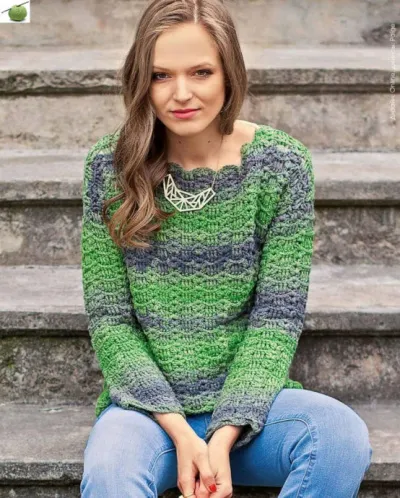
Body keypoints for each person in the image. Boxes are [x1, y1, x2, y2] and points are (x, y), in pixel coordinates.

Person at [79, 0, 373, 497]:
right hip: (147, 415)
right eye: (160, 75)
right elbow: (111, 321)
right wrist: (181, 433)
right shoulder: (109, 168)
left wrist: (223, 434)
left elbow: (276, 318)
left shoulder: (279, 165)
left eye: (201, 72)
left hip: (253, 411)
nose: (182, 93)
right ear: (140, 80)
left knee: (340, 438)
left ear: (228, 72)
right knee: (110, 474)